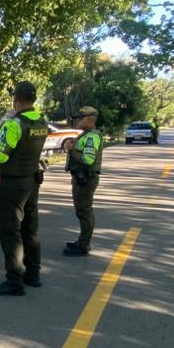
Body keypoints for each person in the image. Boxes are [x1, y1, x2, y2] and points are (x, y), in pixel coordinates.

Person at [0, 81, 50, 296]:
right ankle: (33, 274)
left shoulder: (13, 125)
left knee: (10, 230)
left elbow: (2, 156)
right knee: (30, 228)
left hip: (13, 183)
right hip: (32, 181)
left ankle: (14, 280)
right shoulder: (41, 121)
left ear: (15, 99)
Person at [64, 106, 103, 256]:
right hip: (81, 178)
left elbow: (88, 159)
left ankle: (83, 245)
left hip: (86, 179)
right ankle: (82, 242)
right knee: (82, 211)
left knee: (84, 211)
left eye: (80, 118)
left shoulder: (92, 136)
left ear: (89, 119)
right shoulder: (86, 134)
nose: (77, 121)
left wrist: (71, 150)